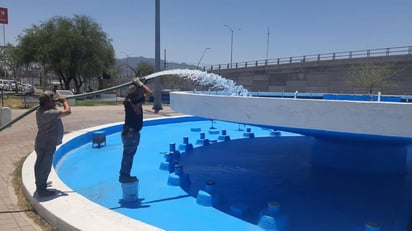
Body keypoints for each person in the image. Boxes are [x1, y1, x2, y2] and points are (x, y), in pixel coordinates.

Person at [34, 91, 71, 197]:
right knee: (44, 166)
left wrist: (54, 103)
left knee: (42, 164)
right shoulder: (48, 113)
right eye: (53, 100)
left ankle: (41, 183)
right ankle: (41, 190)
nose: (55, 102)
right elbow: (68, 111)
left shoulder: (42, 110)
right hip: (46, 144)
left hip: (44, 143)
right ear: (47, 102)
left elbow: (54, 108)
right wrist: (64, 101)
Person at [119, 78, 152, 183]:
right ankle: (124, 176)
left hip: (128, 132)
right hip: (131, 133)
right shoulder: (134, 101)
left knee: (128, 155)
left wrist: (141, 84)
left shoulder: (129, 100)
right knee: (128, 155)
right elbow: (149, 92)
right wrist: (141, 84)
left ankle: (124, 175)